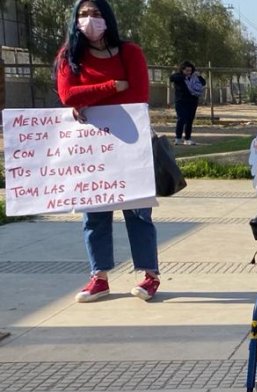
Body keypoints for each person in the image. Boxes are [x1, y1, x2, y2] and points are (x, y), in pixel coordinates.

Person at [55, 0, 161, 303]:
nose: (90, 19)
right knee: (94, 215)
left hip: (130, 143)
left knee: (138, 212)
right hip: (91, 148)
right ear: (75, 21)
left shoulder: (130, 52)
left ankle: (149, 276)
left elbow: (138, 94)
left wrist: (89, 98)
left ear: (108, 18)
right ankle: (99, 277)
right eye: (84, 14)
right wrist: (113, 85)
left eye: (97, 13)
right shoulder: (69, 55)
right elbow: (67, 94)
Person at [169, 60, 205, 145]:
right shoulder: (178, 77)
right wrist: (184, 77)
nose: (189, 72)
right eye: (187, 70)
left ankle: (187, 138)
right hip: (181, 101)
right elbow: (172, 78)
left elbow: (203, 82)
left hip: (192, 101)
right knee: (181, 118)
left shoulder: (194, 77)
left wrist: (198, 76)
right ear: (182, 70)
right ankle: (178, 138)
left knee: (189, 120)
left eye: (190, 70)